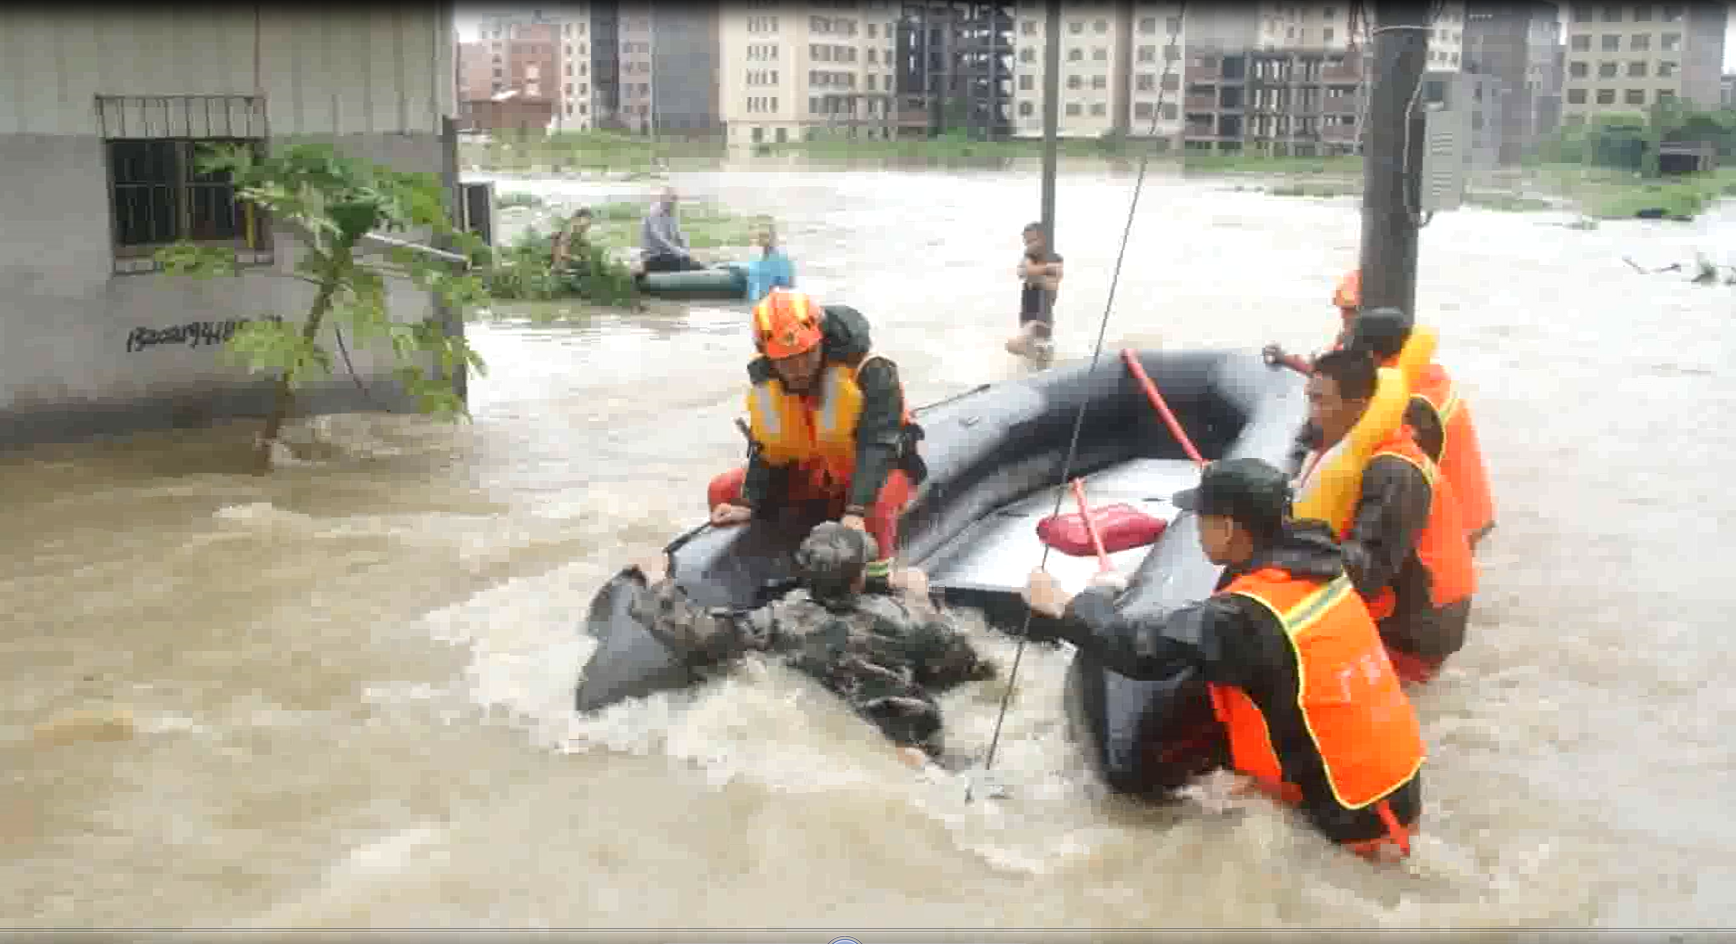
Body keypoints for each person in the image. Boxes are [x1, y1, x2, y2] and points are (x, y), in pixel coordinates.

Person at [1022, 458, 1424, 861]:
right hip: (1395, 792)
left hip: (1350, 819)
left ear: (1229, 528)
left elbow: (1140, 650)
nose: (1196, 531)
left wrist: (1066, 605)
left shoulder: (1248, 615)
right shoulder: (1323, 567)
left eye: (1201, 519)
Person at [626, 522, 996, 765]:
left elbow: (699, 633)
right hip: (912, 729)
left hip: (837, 728)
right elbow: (970, 667)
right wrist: (924, 600)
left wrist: (659, 580)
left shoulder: (778, 619)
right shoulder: (904, 616)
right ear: (858, 579)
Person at [707, 289, 926, 584]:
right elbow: (767, 447)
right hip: (817, 470)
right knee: (721, 489)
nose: (798, 369)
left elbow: (879, 446)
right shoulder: (768, 382)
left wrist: (856, 511)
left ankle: (877, 581)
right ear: (768, 356)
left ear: (822, 341)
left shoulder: (872, 371)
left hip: (874, 468)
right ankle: (747, 577)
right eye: (786, 360)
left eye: (807, 354)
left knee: (878, 504)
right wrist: (747, 504)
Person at [1301, 349, 1477, 684]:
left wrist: (1289, 551)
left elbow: (1366, 570)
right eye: (1309, 399)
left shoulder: (1392, 471)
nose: (1311, 413)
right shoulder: (1359, 446)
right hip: (1403, 595)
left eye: (1320, 401)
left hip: (1415, 626)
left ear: (1358, 405)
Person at [1347, 307, 1496, 548]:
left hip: (1453, 520)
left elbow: (1395, 470)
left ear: (1371, 354)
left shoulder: (1412, 402)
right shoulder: (1429, 376)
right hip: (1471, 505)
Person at [1263, 268, 1361, 375]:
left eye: (1349, 310)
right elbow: (1321, 367)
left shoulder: (1359, 344)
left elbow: (1322, 374)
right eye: (1343, 309)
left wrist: (1284, 359)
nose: (1343, 315)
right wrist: (1284, 358)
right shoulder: (1346, 338)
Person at [1005, 222, 1063, 361]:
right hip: (1026, 316)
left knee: (1014, 345)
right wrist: (1045, 270)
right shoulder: (1027, 258)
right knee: (1028, 358)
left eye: (1033, 241)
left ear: (1044, 239)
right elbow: (1022, 272)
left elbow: (1053, 285)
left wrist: (1034, 275)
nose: (1029, 246)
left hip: (1041, 319)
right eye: (1027, 242)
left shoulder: (1055, 258)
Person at [636, 186, 702, 276]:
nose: (673, 202)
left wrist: (687, 251)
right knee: (684, 262)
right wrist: (679, 252)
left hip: (667, 255)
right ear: (662, 199)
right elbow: (660, 240)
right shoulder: (654, 213)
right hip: (652, 258)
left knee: (693, 263)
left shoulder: (672, 214)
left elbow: (679, 237)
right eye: (671, 199)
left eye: (675, 199)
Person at [743, 220, 796, 303]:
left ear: (774, 238)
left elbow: (789, 292)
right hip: (755, 307)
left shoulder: (783, 263)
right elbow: (750, 291)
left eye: (765, 236)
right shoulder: (754, 263)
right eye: (760, 235)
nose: (763, 239)